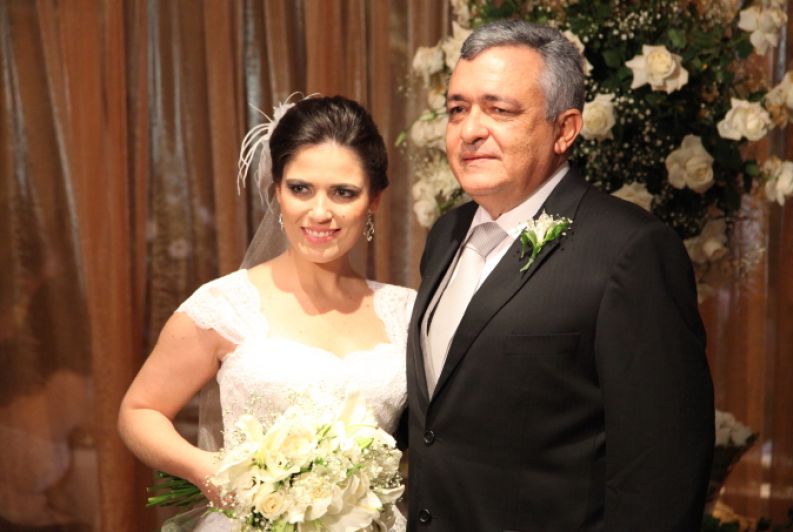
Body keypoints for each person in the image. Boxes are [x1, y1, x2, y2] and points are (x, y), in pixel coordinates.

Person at [405, 20, 714, 531]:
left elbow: (660, 473)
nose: (469, 130)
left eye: (499, 110)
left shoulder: (630, 250)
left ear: (565, 129)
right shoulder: (446, 234)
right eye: (458, 109)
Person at [118, 95, 415, 531]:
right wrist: (206, 469)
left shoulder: (406, 312)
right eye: (300, 188)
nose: (320, 212)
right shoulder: (225, 306)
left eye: (343, 192)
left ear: (374, 200)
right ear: (277, 190)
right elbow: (139, 410)